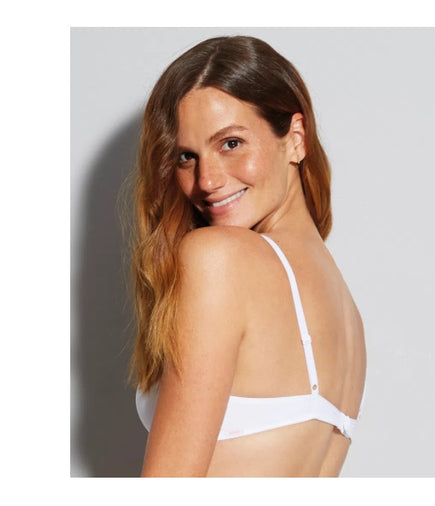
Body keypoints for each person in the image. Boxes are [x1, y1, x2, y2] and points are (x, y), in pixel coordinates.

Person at [129, 35, 366, 477]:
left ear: (295, 139)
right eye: (186, 156)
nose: (207, 180)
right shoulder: (345, 310)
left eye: (231, 143)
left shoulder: (219, 258)